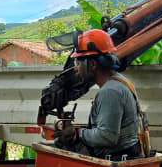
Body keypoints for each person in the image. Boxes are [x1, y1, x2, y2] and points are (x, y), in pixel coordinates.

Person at [61, 29, 143, 160]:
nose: (76, 68)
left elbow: (107, 136)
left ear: (93, 64)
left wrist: (78, 133)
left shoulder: (110, 91)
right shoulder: (118, 81)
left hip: (116, 161)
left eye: (78, 63)